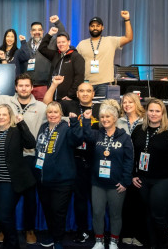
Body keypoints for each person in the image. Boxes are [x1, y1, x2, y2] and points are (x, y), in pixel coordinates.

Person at [0, 71, 46, 244]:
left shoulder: (41, 107)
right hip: (7, 158)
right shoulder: (5, 101)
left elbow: (54, 119)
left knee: (30, 198)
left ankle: (29, 229)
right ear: (16, 87)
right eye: (20, 85)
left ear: (32, 88)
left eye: (27, 85)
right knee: (4, 199)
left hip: (30, 157)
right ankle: (6, 227)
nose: (24, 88)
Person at [44, 76, 99, 244]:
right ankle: (81, 231)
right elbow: (47, 103)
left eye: (88, 91)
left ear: (93, 93)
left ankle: (100, 235)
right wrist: (54, 84)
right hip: (74, 160)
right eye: (81, 91)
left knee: (97, 200)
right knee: (80, 200)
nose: (84, 93)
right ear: (77, 93)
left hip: (95, 160)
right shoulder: (69, 105)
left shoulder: (99, 109)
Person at [131, 99, 168, 249]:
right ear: (146, 112)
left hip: (165, 179)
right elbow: (132, 154)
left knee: (158, 215)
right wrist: (133, 174)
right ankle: (152, 244)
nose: (154, 114)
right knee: (148, 213)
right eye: (151, 110)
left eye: (157, 111)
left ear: (162, 113)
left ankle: (163, 245)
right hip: (143, 178)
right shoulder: (138, 129)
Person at [33, 102, 84, 249]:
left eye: (55, 112)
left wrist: (74, 123)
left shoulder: (66, 128)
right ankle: (53, 234)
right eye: (50, 112)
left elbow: (78, 140)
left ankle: (58, 240)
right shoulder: (43, 128)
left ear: (61, 114)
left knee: (58, 212)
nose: (52, 115)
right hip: (44, 179)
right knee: (48, 210)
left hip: (62, 180)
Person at [81, 105, 134, 249]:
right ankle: (99, 241)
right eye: (102, 117)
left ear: (115, 118)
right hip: (98, 183)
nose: (104, 119)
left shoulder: (125, 138)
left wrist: (125, 181)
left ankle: (113, 242)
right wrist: (86, 119)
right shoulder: (97, 134)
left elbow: (129, 161)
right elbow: (86, 134)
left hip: (117, 184)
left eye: (108, 116)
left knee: (115, 214)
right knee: (97, 213)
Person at [0, 104, 36, 249]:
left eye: (4, 114)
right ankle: (9, 243)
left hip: (9, 182)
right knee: (5, 217)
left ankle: (13, 245)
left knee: (4, 216)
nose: (1, 117)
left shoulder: (16, 131)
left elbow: (31, 143)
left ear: (10, 117)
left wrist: (22, 124)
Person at [75, 12, 133, 96]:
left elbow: (129, 38)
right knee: (87, 108)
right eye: (92, 26)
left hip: (105, 84)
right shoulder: (81, 44)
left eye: (98, 26)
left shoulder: (111, 41)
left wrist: (127, 19)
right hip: (87, 84)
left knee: (103, 108)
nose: (95, 28)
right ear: (89, 28)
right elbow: (74, 63)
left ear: (102, 27)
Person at [116, 92, 146, 247]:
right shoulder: (119, 122)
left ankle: (140, 235)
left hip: (141, 168)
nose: (126, 105)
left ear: (136, 104)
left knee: (140, 203)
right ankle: (127, 234)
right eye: (124, 102)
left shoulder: (145, 121)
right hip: (123, 167)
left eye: (130, 102)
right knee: (125, 204)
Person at [38, 26, 85, 101]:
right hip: (53, 98)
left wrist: (71, 95)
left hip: (68, 99)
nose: (61, 44)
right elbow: (41, 48)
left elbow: (79, 78)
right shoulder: (55, 55)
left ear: (69, 42)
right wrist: (49, 34)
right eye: (58, 42)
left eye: (63, 42)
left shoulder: (76, 57)